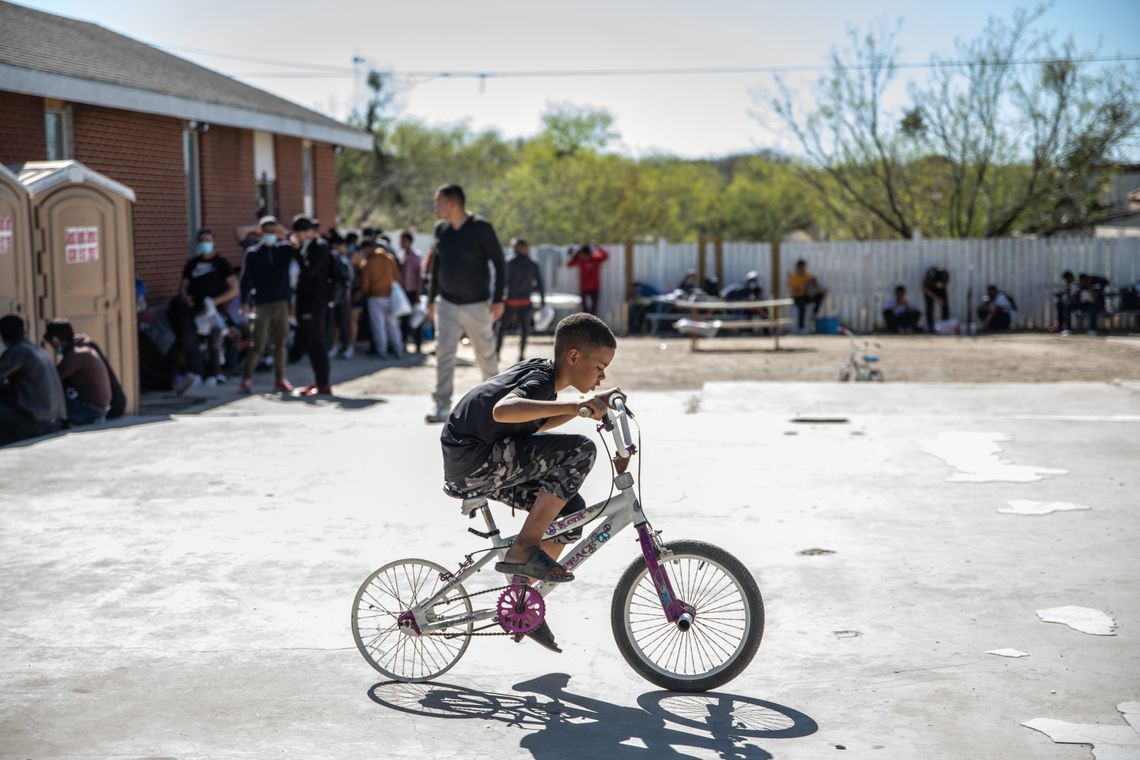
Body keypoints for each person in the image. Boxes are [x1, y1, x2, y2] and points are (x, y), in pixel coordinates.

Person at [440, 313, 621, 652]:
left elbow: (533, 427)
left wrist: (584, 408)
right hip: (474, 461)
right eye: (599, 366)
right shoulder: (540, 382)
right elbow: (503, 412)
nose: (602, 375)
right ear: (573, 357)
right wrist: (578, 403)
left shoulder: (544, 379)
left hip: (482, 460)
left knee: (570, 515)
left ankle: (524, 603)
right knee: (581, 450)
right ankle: (525, 547)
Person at [425, 183, 506, 424]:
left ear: (453, 204)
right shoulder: (441, 230)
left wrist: (499, 299)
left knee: (485, 355)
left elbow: (500, 264)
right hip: (447, 304)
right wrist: (431, 299)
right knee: (443, 354)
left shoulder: (482, 228)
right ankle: (441, 406)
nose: (435, 208)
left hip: (477, 304)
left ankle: (497, 405)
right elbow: (435, 266)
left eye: (438, 203)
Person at [174, 229, 240, 387]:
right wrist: (185, 297)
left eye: (208, 241)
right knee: (191, 342)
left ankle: (214, 374)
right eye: (202, 241)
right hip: (194, 310)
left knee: (215, 342)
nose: (205, 244)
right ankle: (196, 373)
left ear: (213, 242)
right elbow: (183, 287)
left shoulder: (221, 264)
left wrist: (216, 302)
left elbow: (234, 288)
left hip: (214, 311)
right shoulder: (192, 264)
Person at [238, 216, 295, 394]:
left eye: (273, 231)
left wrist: (282, 231)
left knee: (281, 343)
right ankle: (247, 379)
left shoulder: (284, 250)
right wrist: (244, 302)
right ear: (261, 232)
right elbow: (245, 279)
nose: (271, 235)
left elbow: (296, 241)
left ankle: (280, 379)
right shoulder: (253, 252)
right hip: (261, 303)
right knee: (258, 343)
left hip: (282, 302)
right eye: (267, 231)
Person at [0, 314, 66, 446]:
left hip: (38, 424)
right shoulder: (36, 349)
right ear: (24, 331)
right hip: (54, 421)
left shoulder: (17, 351)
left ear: (2, 335)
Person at [291, 215, 333, 396]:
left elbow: (309, 272)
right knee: (310, 343)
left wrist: (298, 252)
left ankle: (324, 384)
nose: (298, 236)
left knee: (317, 343)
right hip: (305, 300)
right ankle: (318, 381)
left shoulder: (320, 247)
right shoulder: (308, 248)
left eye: (300, 233)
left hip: (315, 302)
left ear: (309, 232)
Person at [43, 319, 112, 425]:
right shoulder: (81, 348)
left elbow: (53, 380)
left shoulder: (76, 355)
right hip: (99, 407)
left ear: (56, 340)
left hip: (92, 410)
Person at [497, 238, 545, 362]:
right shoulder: (533, 264)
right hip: (525, 301)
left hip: (510, 301)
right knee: (524, 329)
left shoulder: (509, 262)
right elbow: (540, 284)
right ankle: (521, 354)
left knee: (501, 327)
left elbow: (502, 283)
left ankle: (497, 353)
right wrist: (542, 300)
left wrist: (498, 299)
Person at [360, 240, 403, 359]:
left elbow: (365, 285)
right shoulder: (389, 259)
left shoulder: (369, 263)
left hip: (375, 297)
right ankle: (398, 349)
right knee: (393, 324)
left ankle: (382, 351)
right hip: (390, 296)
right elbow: (397, 278)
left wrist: (364, 293)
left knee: (378, 326)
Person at [326, 232, 355, 358]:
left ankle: (346, 346)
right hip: (340, 296)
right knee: (337, 324)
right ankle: (336, 346)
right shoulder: (339, 258)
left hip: (340, 296)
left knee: (342, 323)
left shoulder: (342, 258)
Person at [397, 231, 425, 354]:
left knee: (416, 320)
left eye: (403, 240)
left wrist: (418, 294)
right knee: (404, 320)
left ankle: (418, 344)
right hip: (403, 292)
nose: (401, 243)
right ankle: (403, 344)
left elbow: (419, 276)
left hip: (413, 292)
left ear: (409, 241)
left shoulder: (416, 256)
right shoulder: (401, 256)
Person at [567, 244, 608, 315]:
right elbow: (569, 264)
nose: (583, 257)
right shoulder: (580, 259)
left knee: (594, 309)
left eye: (584, 255)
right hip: (583, 287)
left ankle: (593, 324)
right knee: (584, 309)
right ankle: (585, 323)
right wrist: (576, 254)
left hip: (595, 287)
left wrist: (598, 247)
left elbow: (606, 255)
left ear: (589, 253)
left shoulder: (596, 258)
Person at [788, 259, 826, 333]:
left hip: (805, 295)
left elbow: (813, 283)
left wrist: (816, 285)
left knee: (820, 295)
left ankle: (815, 311)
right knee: (802, 306)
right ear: (798, 268)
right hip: (796, 297)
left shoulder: (807, 275)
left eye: (804, 267)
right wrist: (803, 286)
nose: (803, 269)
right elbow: (794, 290)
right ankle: (801, 327)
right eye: (802, 267)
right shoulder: (794, 277)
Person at [921, 266, 950, 333]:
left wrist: (941, 299)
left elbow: (943, 286)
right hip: (929, 289)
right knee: (929, 305)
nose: (940, 285)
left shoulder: (945, 276)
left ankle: (945, 323)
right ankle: (930, 326)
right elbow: (925, 289)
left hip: (940, 290)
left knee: (945, 304)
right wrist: (936, 298)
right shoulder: (930, 277)